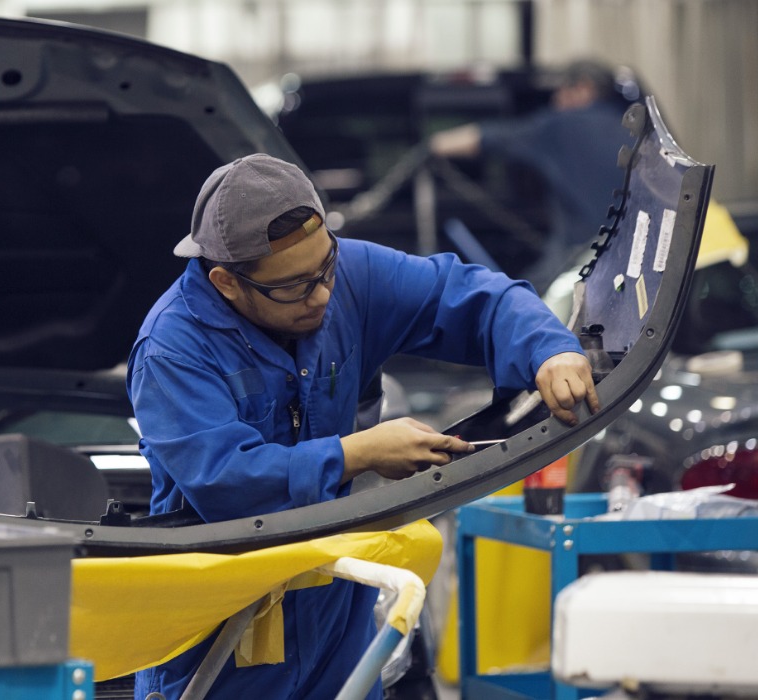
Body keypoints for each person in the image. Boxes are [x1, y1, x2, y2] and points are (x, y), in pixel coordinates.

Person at [126, 153, 599, 700]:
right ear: (226, 283)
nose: (323, 294)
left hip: (336, 625)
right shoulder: (172, 348)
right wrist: (357, 454)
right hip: (221, 637)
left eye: (325, 267)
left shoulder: (346, 275)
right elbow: (226, 481)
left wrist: (550, 350)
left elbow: (472, 297)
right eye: (295, 286)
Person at [430, 59, 639, 290]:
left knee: (525, 297)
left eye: (561, 91)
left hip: (582, 271)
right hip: (638, 267)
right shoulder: (637, 132)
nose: (555, 100)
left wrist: (433, 145)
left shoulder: (561, 127)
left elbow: (490, 138)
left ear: (583, 88)